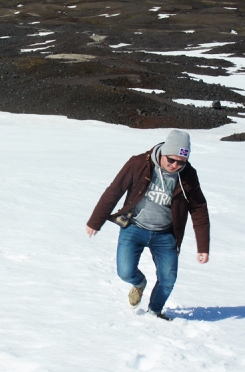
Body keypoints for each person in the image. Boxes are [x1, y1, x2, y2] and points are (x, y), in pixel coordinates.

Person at [85, 130, 210, 320]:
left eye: (181, 162)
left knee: (168, 279)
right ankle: (139, 283)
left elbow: (199, 208)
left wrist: (203, 246)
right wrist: (96, 220)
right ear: (164, 152)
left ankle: (155, 312)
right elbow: (114, 190)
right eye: (171, 160)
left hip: (165, 234)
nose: (175, 165)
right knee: (125, 272)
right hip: (134, 227)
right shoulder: (138, 163)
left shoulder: (188, 174)